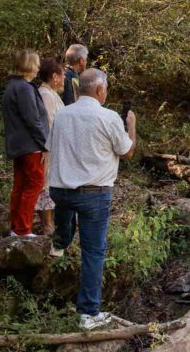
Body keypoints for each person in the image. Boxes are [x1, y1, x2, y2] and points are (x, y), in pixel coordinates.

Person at [48, 68, 137, 331]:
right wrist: (131, 127)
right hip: (93, 194)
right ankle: (88, 313)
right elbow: (127, 152)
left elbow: (54, 146)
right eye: (105, 89)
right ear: (99, 90)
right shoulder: (108, 117)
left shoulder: (63, 114)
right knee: (94, 252)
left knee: (66, 220)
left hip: (61, 189)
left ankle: (58, 244)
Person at [2, 49, 48, 238]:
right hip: (30, 146)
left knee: (20, 185)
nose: (38, 68)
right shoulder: (24, 88)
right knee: (35, 183)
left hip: (19, 144)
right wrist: (45, 144)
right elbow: (33, 120)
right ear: (28, 65)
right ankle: (22, 229)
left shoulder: (12, 86)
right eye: (36, 64)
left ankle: (16, 227)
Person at [35, 57, 66, 236]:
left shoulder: (51, 93)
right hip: (48, 146)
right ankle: (47, 224)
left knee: (51, 183)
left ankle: (51, 222)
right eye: (62, 75)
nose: (63, 80)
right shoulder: (45, 95)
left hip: (55, 145)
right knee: (45, 184)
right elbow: (48, 122)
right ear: (55, 76)